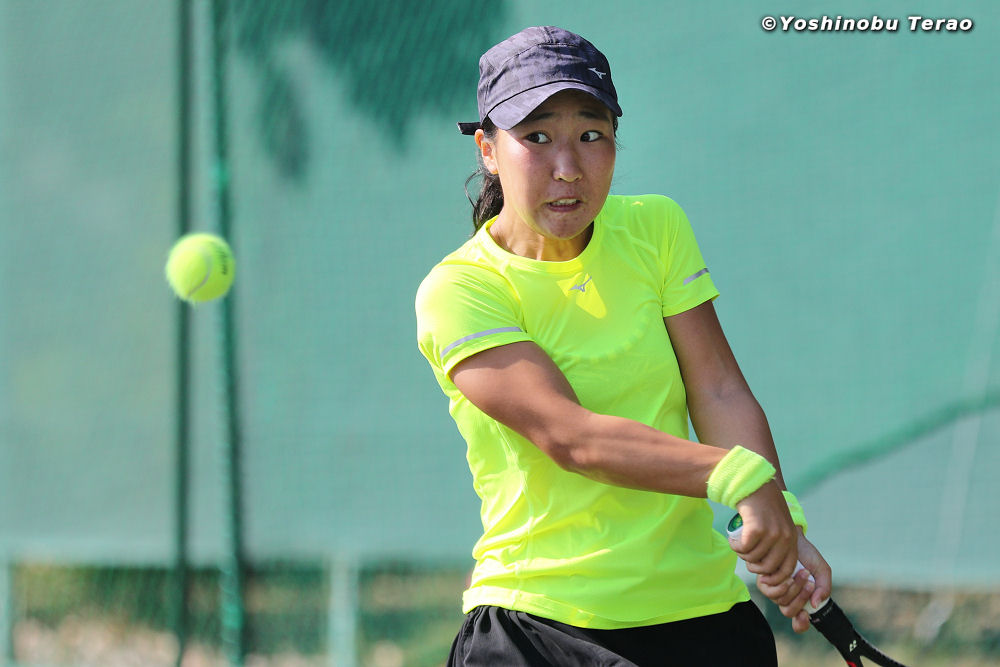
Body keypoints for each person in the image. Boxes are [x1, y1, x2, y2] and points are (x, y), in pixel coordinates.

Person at [415, 26, 832, 666]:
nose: (567, 167)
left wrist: (782, 522)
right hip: (541, 630)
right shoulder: (459, 290)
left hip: (706, 620)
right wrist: (740, 479)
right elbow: (573, 438)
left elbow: (718, 389)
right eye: (536, 137)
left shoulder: (655, 227)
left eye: (592, 135)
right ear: (488, 149)